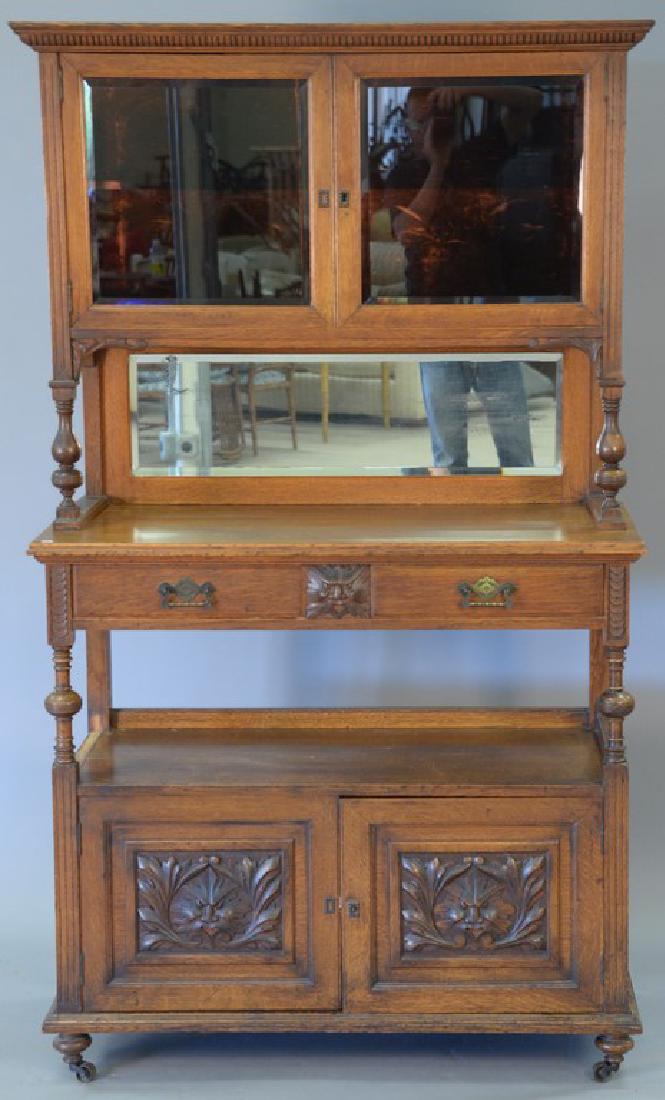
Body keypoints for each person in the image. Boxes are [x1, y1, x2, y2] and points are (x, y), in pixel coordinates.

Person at [385, 85, 540, 469]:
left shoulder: (478, 155)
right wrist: (437, 166)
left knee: (517, 452)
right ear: (408, 126)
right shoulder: (404, 170)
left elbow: (531, 101)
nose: (428, 128)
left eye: (436, 118)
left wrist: (468, 85)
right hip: (435, 324)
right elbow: (407, 231)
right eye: (420, 121)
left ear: (452, 121)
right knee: (449, 457)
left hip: (492, 320)